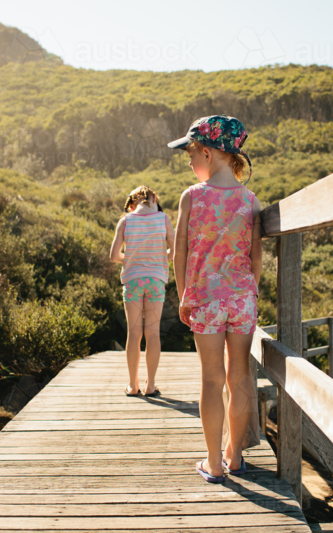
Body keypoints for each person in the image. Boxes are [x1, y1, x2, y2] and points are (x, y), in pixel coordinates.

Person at [169, 115, 261, 483]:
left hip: (206, 299)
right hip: (242, 299)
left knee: (211, 379)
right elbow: (256, 258)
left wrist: (184, 296)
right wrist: (246, 293)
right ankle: (235, 455)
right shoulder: (250, 200)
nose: (190, 163)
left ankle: (213, 462)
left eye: (191, 155)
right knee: (240, 376)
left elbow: (179, 252)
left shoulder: (192, 196)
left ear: (207, 153)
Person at [109, 185, 174, 397]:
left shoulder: (125, 221)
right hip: (156, 280)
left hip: (133, 280)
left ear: (132, 203)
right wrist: (158, 258)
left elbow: (114, 256)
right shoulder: (163, 219)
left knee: (134, 332)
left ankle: (132, 385)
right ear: (154, 200)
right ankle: (151, 386)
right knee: (153, 333)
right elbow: (174, 251)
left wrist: (132, 259)